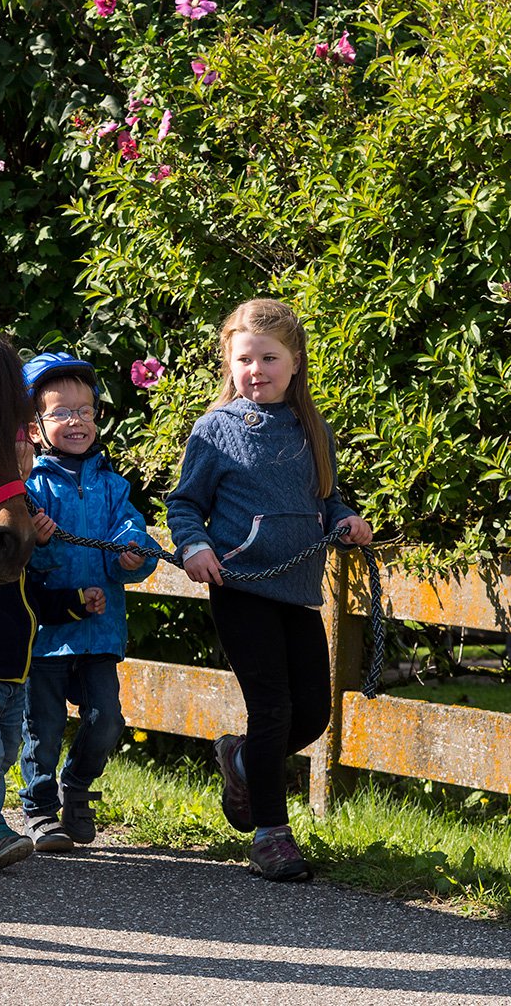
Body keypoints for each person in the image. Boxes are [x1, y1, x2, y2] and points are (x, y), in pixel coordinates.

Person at [164, 298, 374, 883]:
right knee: (273, 707)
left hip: (298, 589)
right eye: (244, 359)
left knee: (311, 713)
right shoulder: (215, 431)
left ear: (296, 362)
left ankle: (239, 757)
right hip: (240, 586)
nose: (256, 369)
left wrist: (345, 520)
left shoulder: (311, 429)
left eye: (269, 358)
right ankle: (271, 836)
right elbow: (184, 504)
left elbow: (325, 498)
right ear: (229, 364)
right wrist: (195, 547)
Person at [0, 437, 105, 873]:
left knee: (6, 754)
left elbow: (37, 602)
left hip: (14, 677)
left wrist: (74, 602)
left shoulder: (18, 547)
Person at [16, 351, 157, 852]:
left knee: (106, 721)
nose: (77, 421)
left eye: (86, 410)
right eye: (61, 412)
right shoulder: (28, 490)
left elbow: (132, 534)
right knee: (44, 727)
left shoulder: (113, 486)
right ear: (33, 428)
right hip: (48, 637)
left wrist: (131, 555)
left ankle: (76, 789)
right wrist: (39, 542)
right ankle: (39, 808)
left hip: (99, 633)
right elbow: (17, 562)